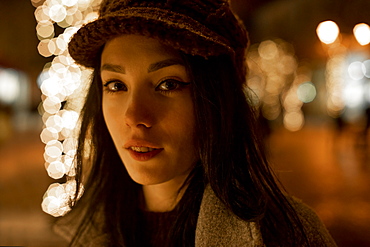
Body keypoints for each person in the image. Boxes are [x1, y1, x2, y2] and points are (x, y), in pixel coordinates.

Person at [55, 0, 337, 246]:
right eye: (116, 85)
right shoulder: (83, 230)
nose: (135, 117)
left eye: (168, 84)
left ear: (216, 98)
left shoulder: (286, 234)